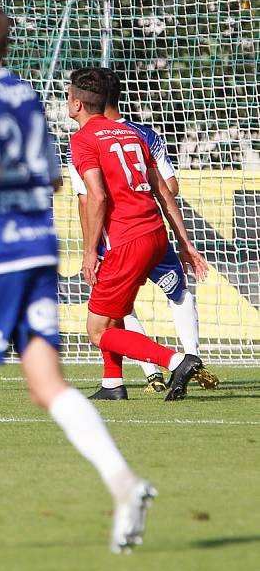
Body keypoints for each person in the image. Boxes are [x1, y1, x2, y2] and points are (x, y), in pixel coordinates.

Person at [0, 5, 156, 554]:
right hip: (39, 249)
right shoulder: (27, 97)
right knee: (47, 383)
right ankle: (125, 484)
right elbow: (53, 180)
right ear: (6, 46)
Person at [67, 68, 218, 396]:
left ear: (77, 104)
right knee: (115, 310)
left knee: (97, 330)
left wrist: (90, 250)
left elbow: (95, 197)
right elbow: (165, 190)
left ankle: (177, 361)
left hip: (124, 240)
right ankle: (113, 383)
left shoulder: (83, 140)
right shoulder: (135, 135)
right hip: (155, 232)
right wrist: (185, 242)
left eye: (68, 96)